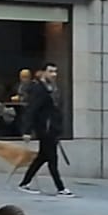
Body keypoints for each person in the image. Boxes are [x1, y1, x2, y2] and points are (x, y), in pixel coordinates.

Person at [17, 62, 72, 196]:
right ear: (43, 72)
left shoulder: (52, 89)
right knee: (52, 159)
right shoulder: (39, 89)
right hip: (45, 129)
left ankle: (25, 183)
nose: (54, 74)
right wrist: (27, 130)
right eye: (51, 71)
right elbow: (32, 110)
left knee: (42, 158)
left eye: (55, 71)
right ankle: (60, 188)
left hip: (51, 128)